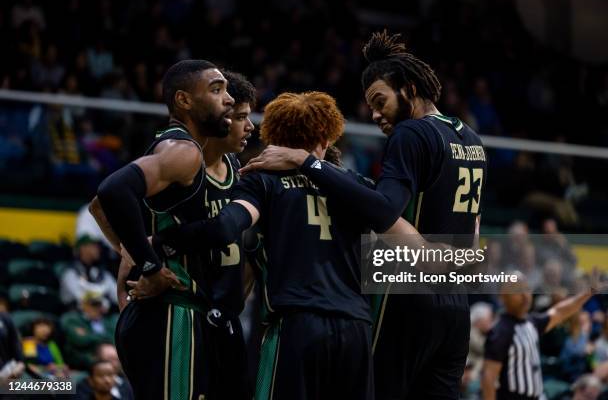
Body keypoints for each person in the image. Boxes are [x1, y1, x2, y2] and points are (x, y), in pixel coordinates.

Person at [239, 30, 486, 399]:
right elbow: (474, 235)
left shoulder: (412, 133)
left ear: (410, 89)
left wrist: (306, 162)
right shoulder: (472, 140)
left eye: (380, 100)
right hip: (455, 306)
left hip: (406, 297)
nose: (374, 114)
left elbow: (383, 209)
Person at [147, 91, 420, 400]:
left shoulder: (262, 180)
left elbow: (225, 227)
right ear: (327, 138)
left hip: (297, 325)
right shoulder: (355, 186)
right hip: (355, 330)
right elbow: (411, 242)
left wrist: (162, 241)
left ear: (275, 137)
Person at [91, 59, 234, 399]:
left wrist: (130, 249)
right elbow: (111, 191)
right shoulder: (184, 151)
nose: (228, 98)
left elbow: (98, 206)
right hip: (172, 314)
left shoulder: (179, 148)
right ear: (183, 100)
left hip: (168, 313)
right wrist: (150, 265)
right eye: (216, 90)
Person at [202, 70, 255, 399]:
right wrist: (146, 267)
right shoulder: (179, 159)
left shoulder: (240, 170)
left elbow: (251, 252)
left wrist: (236, 299)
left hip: (227, 317)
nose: (250, 127)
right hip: (188, 312)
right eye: (241, 117)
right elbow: (103, 204)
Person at [481, 270, 604, 400]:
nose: (525, 295)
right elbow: (488, 379)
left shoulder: (532, 323)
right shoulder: (501, 331)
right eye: (517, 290)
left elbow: (560, 311)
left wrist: (587, 293)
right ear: (503, 296)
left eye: (527, 289)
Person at [60, 291, 117, 370]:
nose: (96, 308)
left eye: (98, 304)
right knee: (107, 355)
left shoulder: (107, 321)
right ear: (83, 305)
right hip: (84, 355)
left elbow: (114, 338)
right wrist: (103, 339)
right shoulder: (73, 319)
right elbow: (80, 340)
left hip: (107, 354)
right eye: (92, 305)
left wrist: (90, 335)